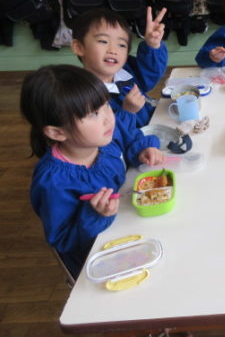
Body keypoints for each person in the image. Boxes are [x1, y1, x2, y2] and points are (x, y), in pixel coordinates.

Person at [20, 65, 165, 279]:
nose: (108, 117)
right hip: (101, 256)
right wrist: (94, 215)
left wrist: (142, 149)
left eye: (106, 104)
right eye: (94, 113)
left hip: (131, 223)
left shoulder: (102, 135)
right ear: (57, 132)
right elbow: (62, 239)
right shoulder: (54, 182)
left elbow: (129, 139)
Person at [71, 7, 168, 128]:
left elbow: (149, 75)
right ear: (79, 47)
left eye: (121, 45)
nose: (113, 50)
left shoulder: (125, 70)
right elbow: (103, 135)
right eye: (103, 41)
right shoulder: (80, 96)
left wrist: (152, 45)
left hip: (155, 126)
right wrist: (127, 112)